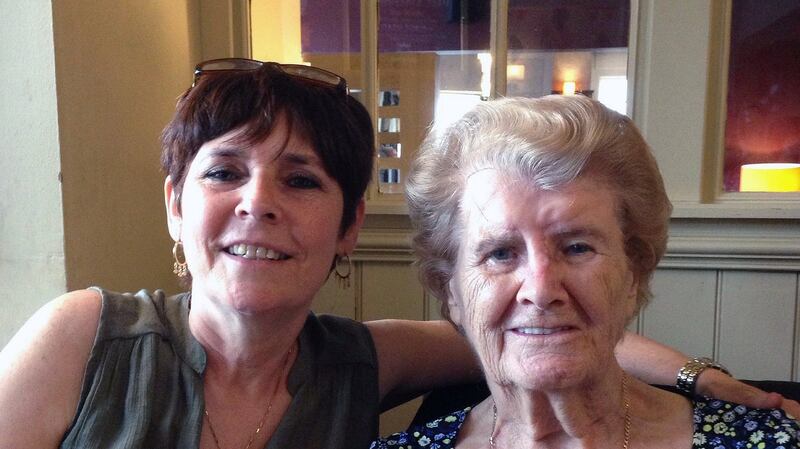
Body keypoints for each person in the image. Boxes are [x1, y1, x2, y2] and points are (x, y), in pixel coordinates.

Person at [0, 60, 792, 449]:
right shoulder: (86, 338)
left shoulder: (359, 362)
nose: (258, 202)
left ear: (347, 228)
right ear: (176, 206)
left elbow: (545, 329)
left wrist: (706, 380)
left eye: (301, 178)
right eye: (224, 172)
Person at [372, 96, 800, 448]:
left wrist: (701, 377)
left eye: (577, 248)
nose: (540, 290)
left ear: (634, 274)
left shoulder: (766, 440)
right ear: (452, 293)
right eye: (501, 253)